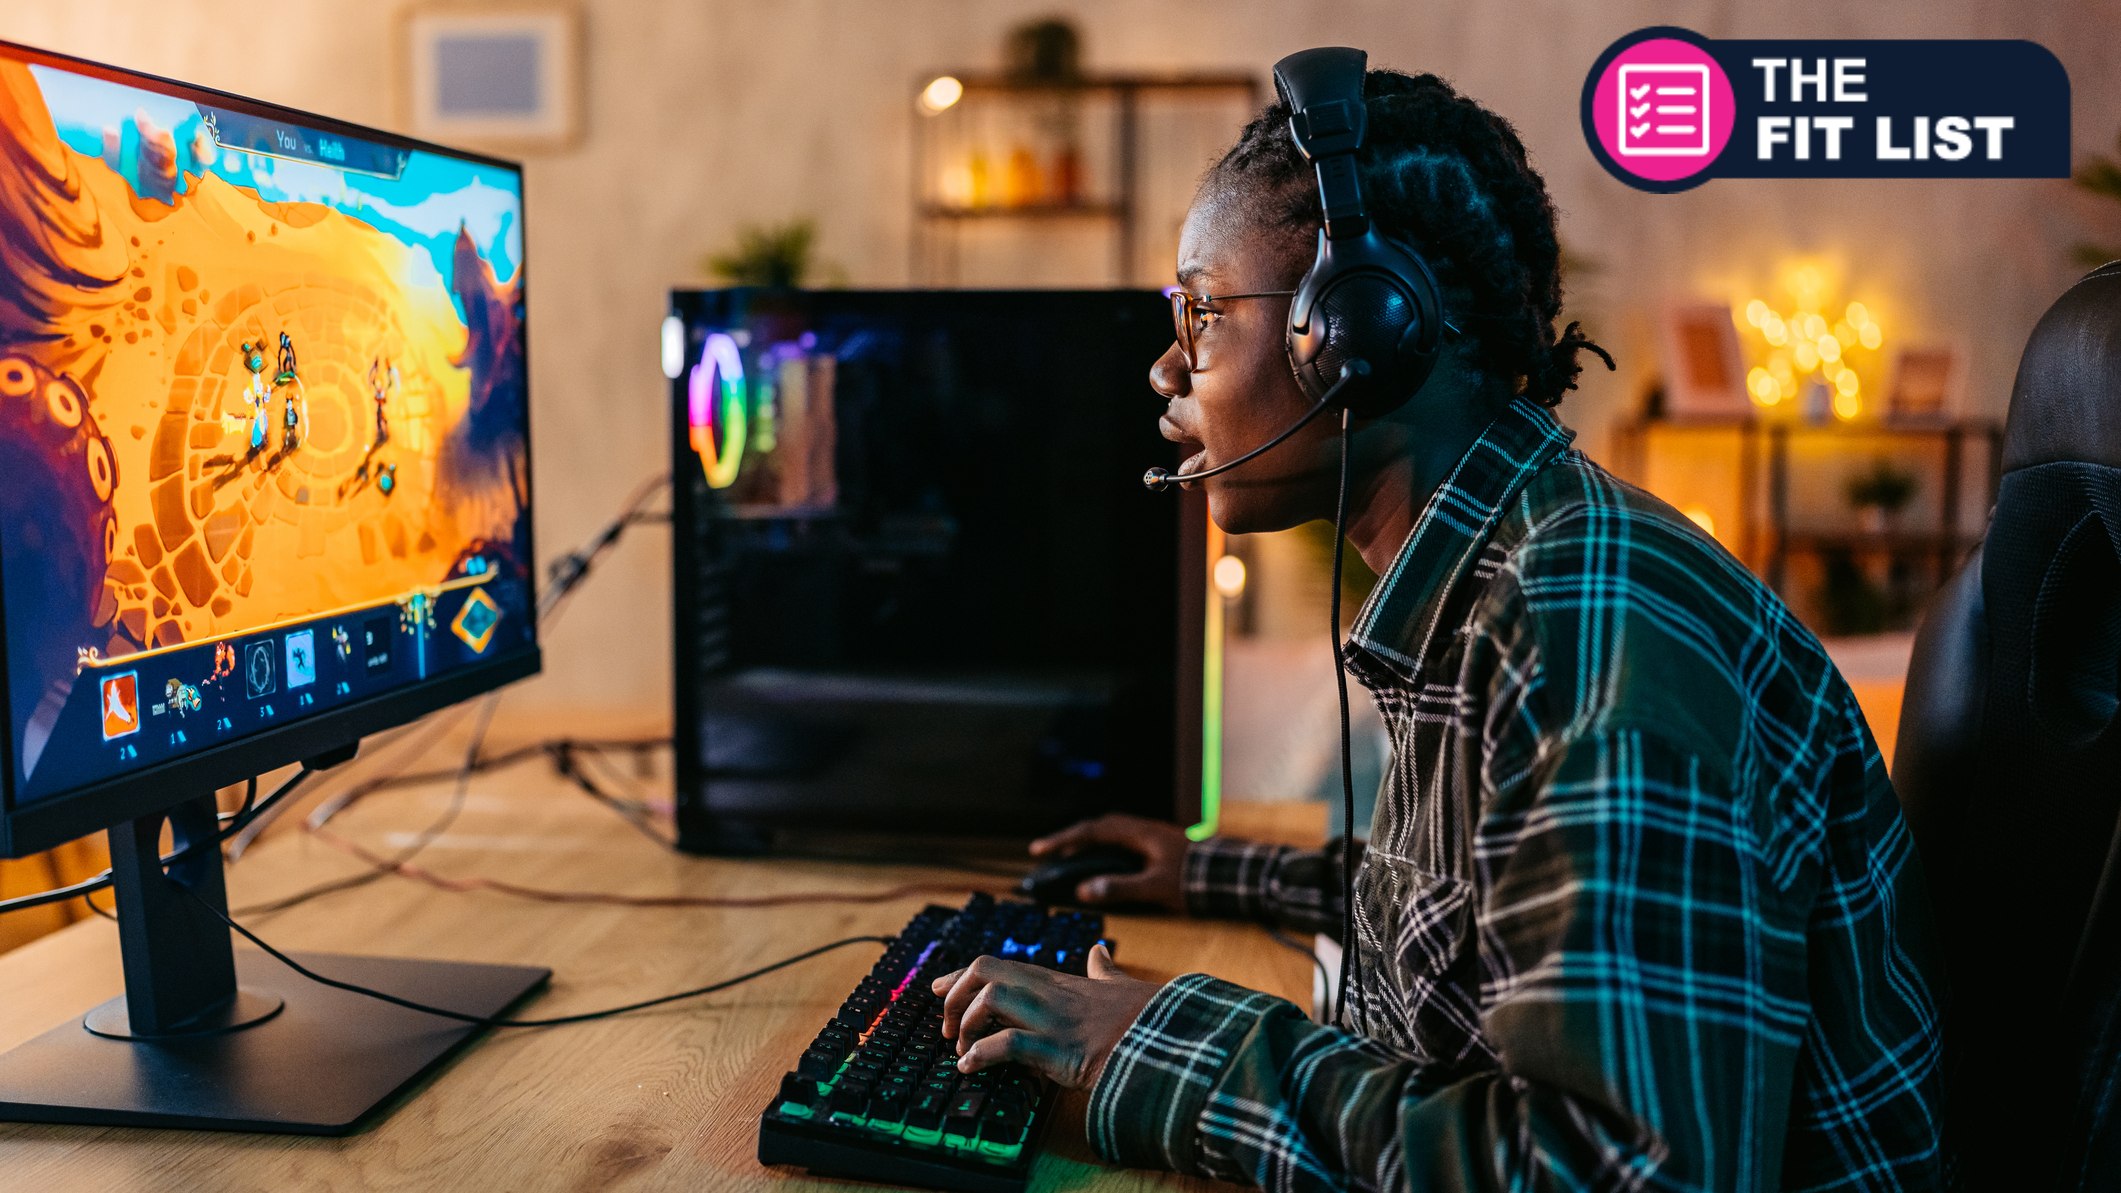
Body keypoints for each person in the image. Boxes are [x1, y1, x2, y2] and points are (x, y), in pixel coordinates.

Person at [929, 64, 1946, 1191]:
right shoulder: (1501, 569)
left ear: (1354, 334)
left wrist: (1163, 1041)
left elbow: (1613, 1171)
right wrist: (1214, 872)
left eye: (1202, 311)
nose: (1169, 364)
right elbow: (1477, 913)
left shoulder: (1584, 632)